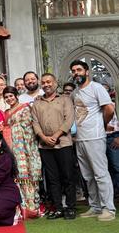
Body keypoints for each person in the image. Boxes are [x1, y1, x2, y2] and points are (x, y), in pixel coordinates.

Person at [70, 60, 116, 221]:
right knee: (88, 176)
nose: (76, 73)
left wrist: (102, 124)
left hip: (95, 137)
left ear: (87, 72)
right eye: (74, 71)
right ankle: (95, 206)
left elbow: (110, 109)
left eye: (79, 70)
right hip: (80, 139)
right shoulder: (74, 93)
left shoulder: (96, 88)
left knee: (100, 174)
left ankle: (108, 209)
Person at [31, 73, 76, 220]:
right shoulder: (37, 103)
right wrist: (44, 137)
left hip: (63, 144)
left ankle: (70, 207)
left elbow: (69, 120)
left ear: (55, 83)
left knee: (68, 176)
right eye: (43, 82)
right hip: (45, 146)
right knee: (52, 178)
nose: (46, 84)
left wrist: (56, 136)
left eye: (49, 82)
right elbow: (35, 123)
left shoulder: (65, 99)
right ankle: (58, 208)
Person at [3, 86, 42, 219]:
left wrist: (16, 128)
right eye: (6, 97)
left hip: (28, 146)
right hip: (14, 149)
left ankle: (33, 206)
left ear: (16, 95)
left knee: (32, 174)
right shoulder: (6, 113)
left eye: (11, 96)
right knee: (19, 175)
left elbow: (30, 126)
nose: (9, 99)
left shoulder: (25, 107)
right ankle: (23, 206)